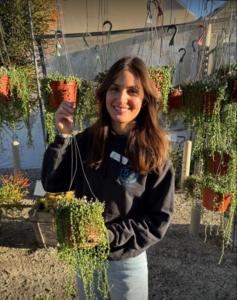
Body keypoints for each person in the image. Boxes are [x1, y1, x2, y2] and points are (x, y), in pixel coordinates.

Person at [41, 56, 175, 300]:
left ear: (144, 99)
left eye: (132, 91)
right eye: (115, 89)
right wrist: (63, 138)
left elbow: (158, 220)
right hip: (86, 257)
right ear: (104, 94)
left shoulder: (155, 153)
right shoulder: (87, 140)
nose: (121, 99)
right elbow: (53, 183)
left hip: (125, 263)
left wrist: (108, 236)